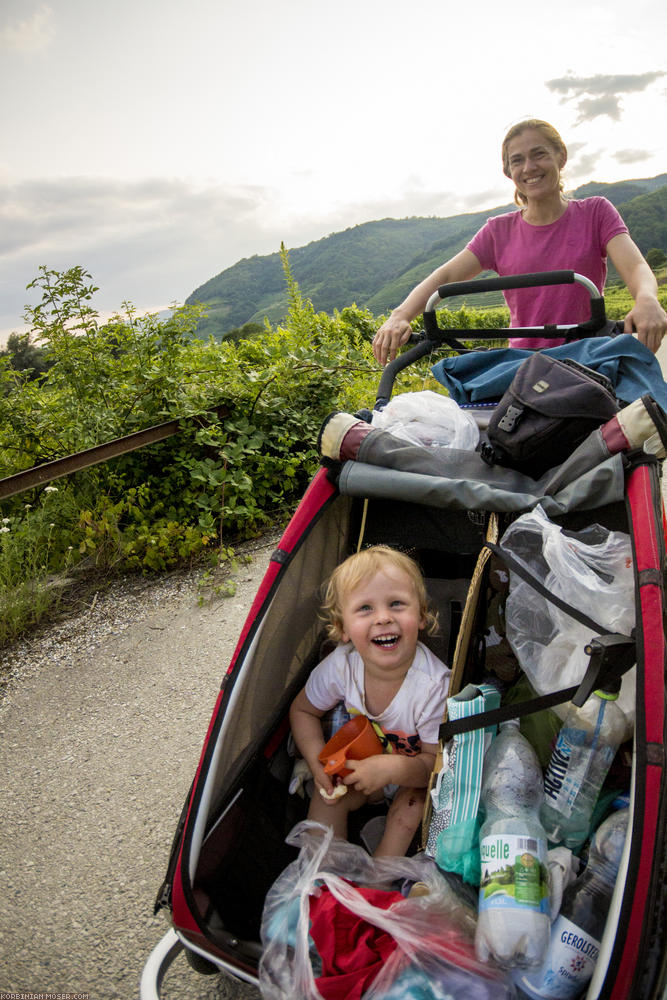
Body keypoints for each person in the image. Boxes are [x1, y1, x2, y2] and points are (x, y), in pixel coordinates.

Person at [373, 118, 667, 364]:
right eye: (518, 160)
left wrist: (646, 299)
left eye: (539, 154)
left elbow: (636, 266)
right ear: (509, 171)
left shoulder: (596, 212)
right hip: (522, 364)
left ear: (560, 157)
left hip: (588, 358)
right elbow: (446, 276)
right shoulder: (497, 231)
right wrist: (401, 315)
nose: (529, 167)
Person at [289, 544, 450, 857]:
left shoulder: (432, 687)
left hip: (411, 777)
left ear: (421, 616)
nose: (383, 618)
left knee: (411, 810)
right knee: (327, 794)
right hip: (361, 772)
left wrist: (391, 769)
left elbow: (434, 765)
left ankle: (375, 881)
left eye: (397, 604)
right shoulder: (342, 665)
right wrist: (315, 760)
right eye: (365, 608)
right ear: (343, 629)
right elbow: (302, 710)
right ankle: (318, 875)